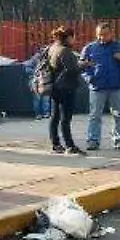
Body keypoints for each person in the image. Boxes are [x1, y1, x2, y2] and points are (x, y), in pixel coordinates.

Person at [81, 23, 120, 151]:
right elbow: (83, 66)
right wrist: (89, 78)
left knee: (118, 115)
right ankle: (93, 140)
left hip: (116, 86)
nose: (102, 37)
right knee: (95, 115)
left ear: (111, 34)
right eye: (99, 34)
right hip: (97, 87)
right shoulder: (90, 48)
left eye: (105, 34)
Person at [46, 27, 86, 156]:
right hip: (66, 88)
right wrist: (84, 64)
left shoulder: (52, 48)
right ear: (68, 37)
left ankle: (55, 143)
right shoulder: (65, 51)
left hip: (54, 87)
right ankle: (70, 145)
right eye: (73, 37)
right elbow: (72, 70)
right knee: (65, 118)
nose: (74, 39)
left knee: (55, 116)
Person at [25, 47, 52, 120]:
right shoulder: (35, 59)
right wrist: (36, 72)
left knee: (45, 99)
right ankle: (39, 114)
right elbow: (27, 68)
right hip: (36, 81)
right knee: (38, 99)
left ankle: (45, 113)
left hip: (45, 81)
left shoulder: (49, 59)